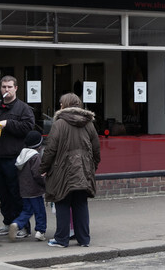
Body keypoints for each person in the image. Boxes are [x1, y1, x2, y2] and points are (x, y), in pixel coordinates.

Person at [40, 93, 101, 248]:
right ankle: (84, 240)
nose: (60, 106)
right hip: (83, 169)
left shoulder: (59, 124)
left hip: (63, 170)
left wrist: (43, 168)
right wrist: (93, 166)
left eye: (61, 104)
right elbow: (96, 149)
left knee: (62, 202)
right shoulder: (89, 124)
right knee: (81, 203)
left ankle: (61, 239)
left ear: (65, 105)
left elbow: (50, 149)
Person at [0, 75, 36, 237]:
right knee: (3, 194)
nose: (6, 90)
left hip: (15, 158)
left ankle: (22, 226)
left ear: (16, 88)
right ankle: (8, 223)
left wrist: (7, 124)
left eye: (9, 87)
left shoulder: (23, 109)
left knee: (16, 193)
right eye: (4, 87)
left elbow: (28, 127)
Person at [9, 130, 47, 241]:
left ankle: (17, 223)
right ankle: (40, 231)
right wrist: (44, 183)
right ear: (39, 145)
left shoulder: (22, 155)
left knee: (27, 211)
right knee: (40, 211)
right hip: (35, 190)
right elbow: (37, 174)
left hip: (24, 191)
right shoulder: (35, 157)